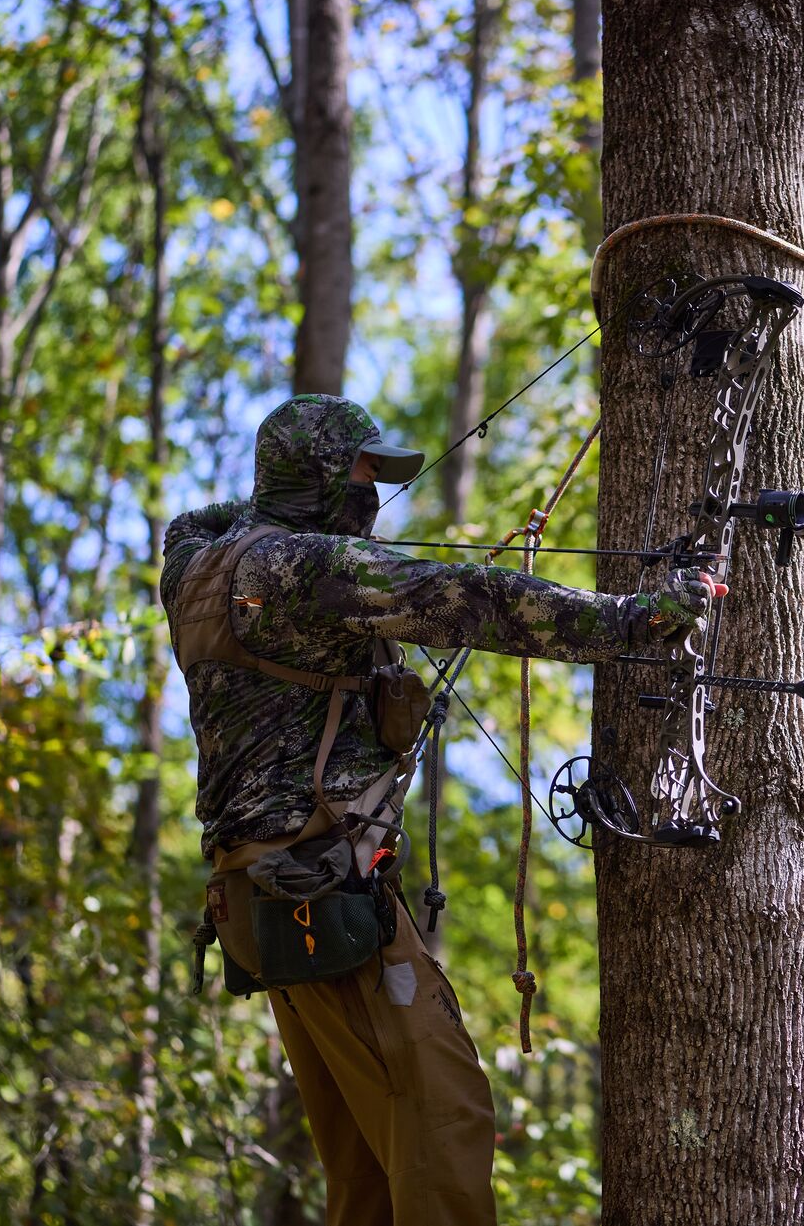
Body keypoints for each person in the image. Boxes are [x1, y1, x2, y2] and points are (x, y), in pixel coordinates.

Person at [160, 394, 715, 1226]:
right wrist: (639, 620)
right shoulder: (306, 571)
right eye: (361, 470)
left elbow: (193, 517)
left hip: (265, 904)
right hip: (318, 897)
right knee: (444, 1126)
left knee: (374, 1180)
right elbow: (474, 597)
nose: (372, 491)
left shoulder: (195, 565)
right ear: (315, 477)